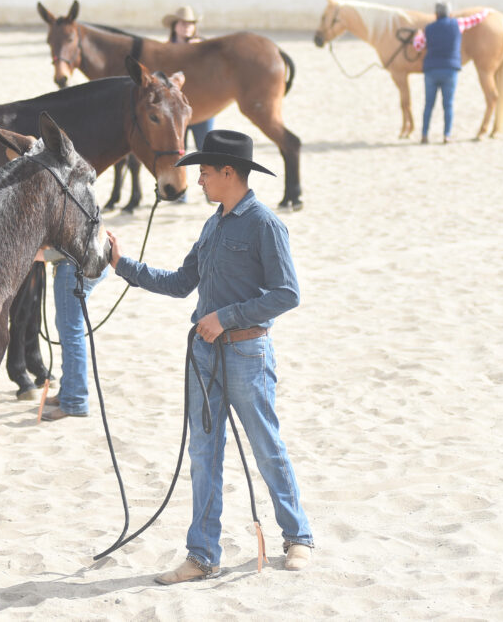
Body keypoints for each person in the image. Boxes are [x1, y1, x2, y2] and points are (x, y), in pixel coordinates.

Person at [106, 129, 314, 584]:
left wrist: (227, 315)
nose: (197, 181)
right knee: (204, 453)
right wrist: (123, 266)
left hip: (246, 355)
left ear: (228, 172)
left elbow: (287, 293)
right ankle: (202, 556)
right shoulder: (213, 223)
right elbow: (182, 282)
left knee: (267, 447)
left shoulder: (265, 224)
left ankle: (298, 537)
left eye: (203, 172)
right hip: (204, 358)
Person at [40, 250, 108, 422]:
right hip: (90, 261)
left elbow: (68, 240)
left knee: (71, 332)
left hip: (73, 265)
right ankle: (67, 392)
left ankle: (74, 401)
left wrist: (40, 255)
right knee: (67, 328)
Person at [413, 1, 488, 144]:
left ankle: (424, 135)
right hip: (450, 70)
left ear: (436, 15)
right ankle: (446, 135)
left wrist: (417, 35)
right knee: (448, 105)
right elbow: (476, 19)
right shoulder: (457, 24)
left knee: (428, 105)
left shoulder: (428, 28)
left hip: (431, 70)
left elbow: (418, 46)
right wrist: (486, 12)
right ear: (450, 14)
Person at [162, 6, 215, 152]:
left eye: (190, 23)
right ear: (175, 26)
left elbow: (214, 76)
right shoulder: (166, 49)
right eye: (182, 23)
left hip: (202, 106)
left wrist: (201, 52)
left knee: (205, 150)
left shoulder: (204, 47)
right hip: (176, 108)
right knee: (177, 151)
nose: (187, 27)